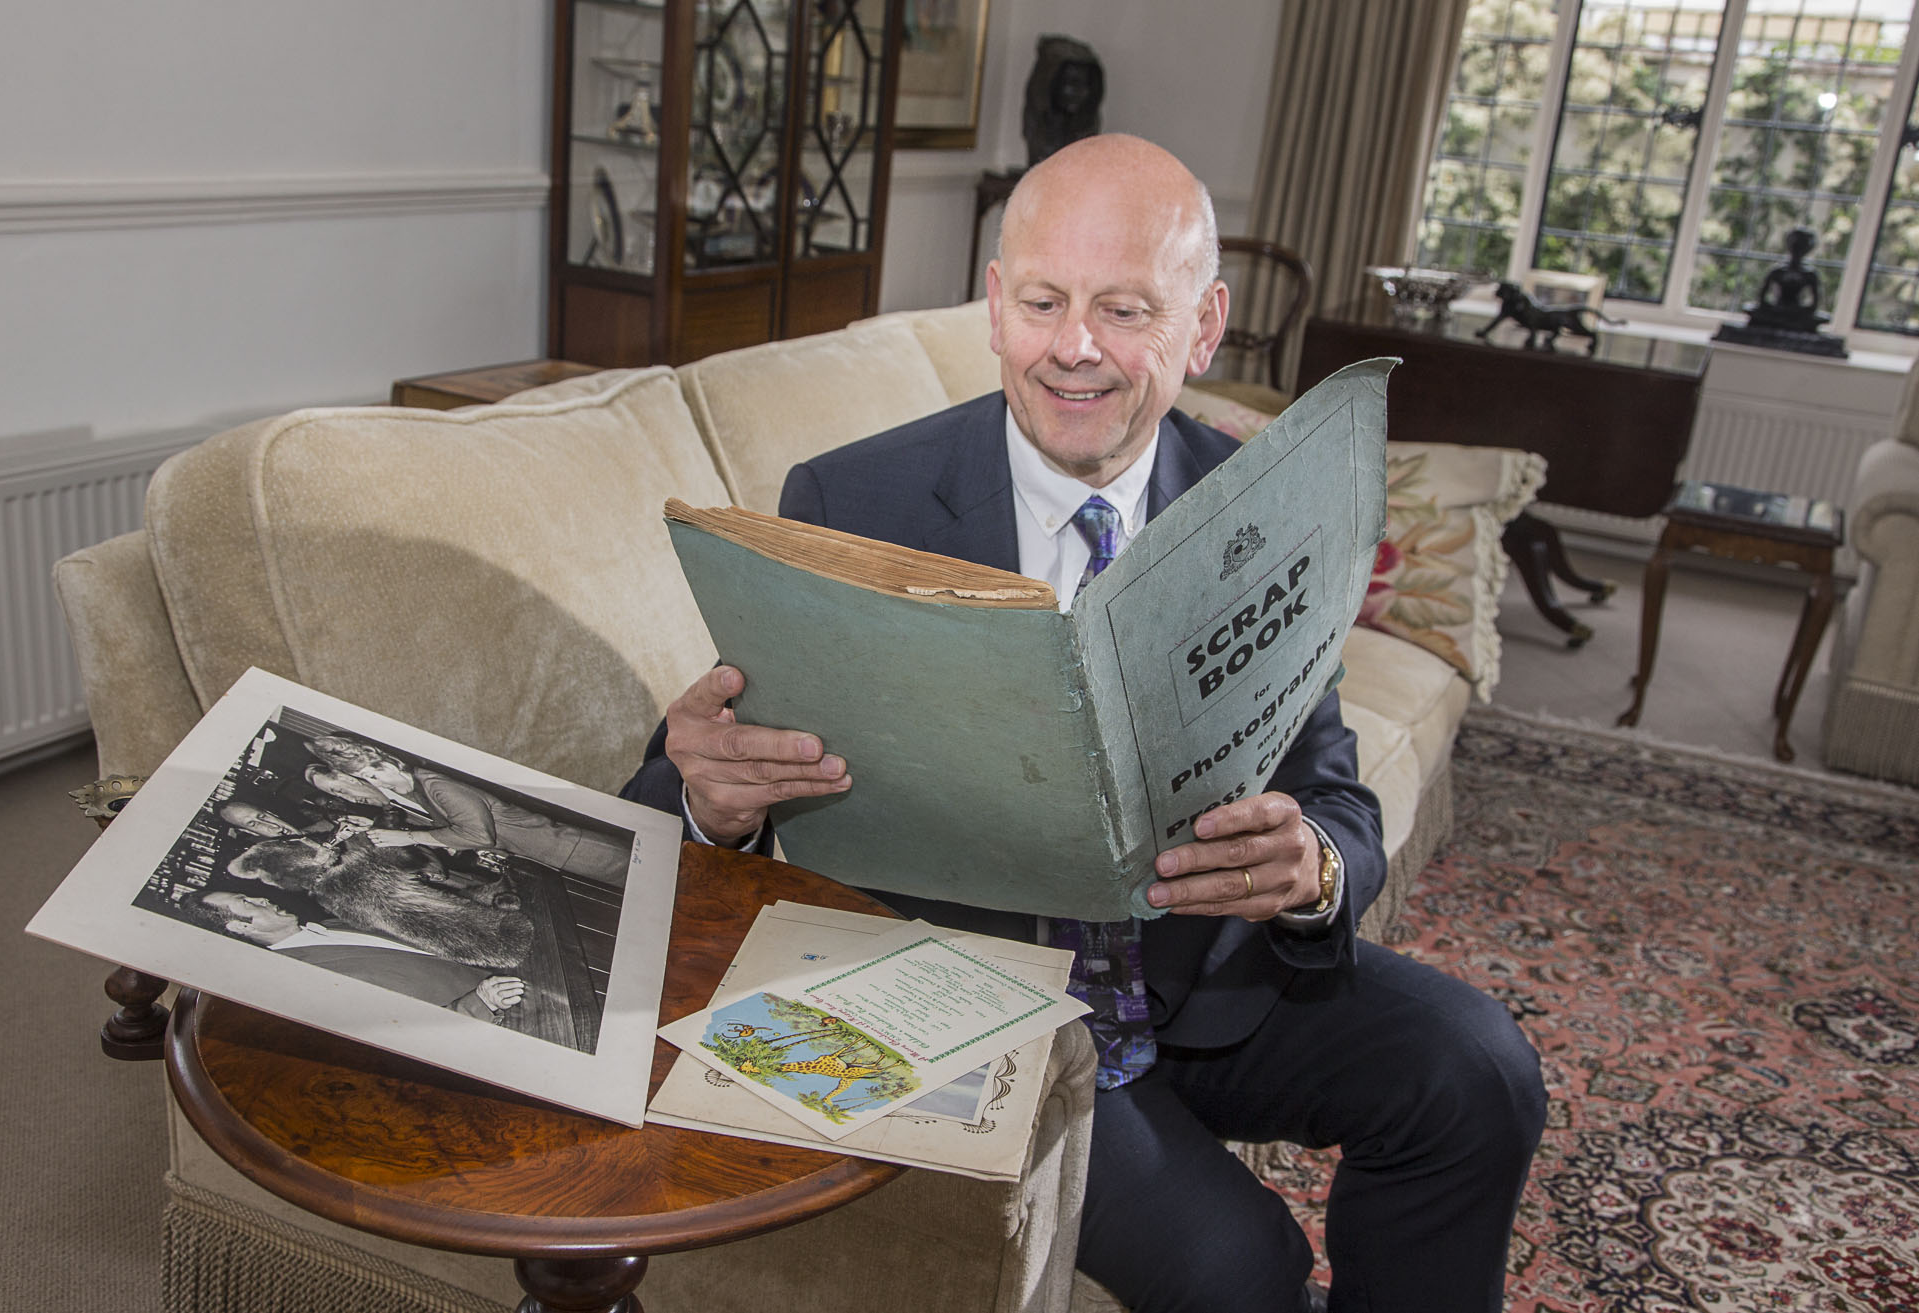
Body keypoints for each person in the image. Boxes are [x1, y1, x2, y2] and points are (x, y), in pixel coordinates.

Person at [623, 133, 1547, 1313]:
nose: (1075, 348)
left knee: (1478, 1070)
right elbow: (668, 797)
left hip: (1207, 979)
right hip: (979, 1007)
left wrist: (1311, 866)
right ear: (997, 305)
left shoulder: (1257, 511)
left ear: (1203, 327)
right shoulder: (853, 498)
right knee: (1241, 1267)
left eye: (1125, 309)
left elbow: (1338, 803)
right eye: (1046, 301)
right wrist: (712, 792)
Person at [303, 737, 629, 887]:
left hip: (576, 849)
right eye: (367, 780)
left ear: (389, 763)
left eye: (374, 775)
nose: (376, 783)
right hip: (555, 854)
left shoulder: (434, 785)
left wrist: (406, 837)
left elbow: (479, 834)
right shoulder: (416, 790)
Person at [187, 889, 527, 1024]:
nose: (261, 899)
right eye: (248, 903)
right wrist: (481, 1003)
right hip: (507, 1018)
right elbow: (399, 1034)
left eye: (251, 895)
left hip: (519, 974)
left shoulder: (332, 922)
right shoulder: (305, 981)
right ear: (238, 927)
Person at [227, 836, 534, 969]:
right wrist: (364, 840)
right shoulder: (361, 866)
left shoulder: (327, 899)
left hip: (472, 952)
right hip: (504, 931)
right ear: (306, 856)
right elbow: (413, 856)